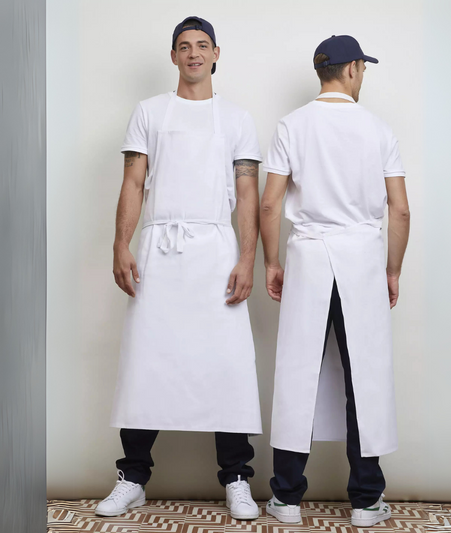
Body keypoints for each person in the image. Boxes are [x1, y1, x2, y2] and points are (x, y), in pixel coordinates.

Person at [96, 16, 263, 520]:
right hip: (159, 250)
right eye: (184, 46)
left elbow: (248, 192)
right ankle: (132, 478)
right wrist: (121, 244)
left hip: (216, 252)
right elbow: (133, 181)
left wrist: (248, 258)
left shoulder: (236, 119)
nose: (193, 53)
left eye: (202, 45)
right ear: (173, 56)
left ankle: (237, 478)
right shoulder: (149, 111)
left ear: (216, 54)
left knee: (227, 365)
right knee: (146, 361)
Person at [260, 34, 410, 527]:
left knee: (296, 374)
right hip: (362, 261)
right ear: (350, 69)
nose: (362, 75)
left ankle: (286, 499)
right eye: (362, 68)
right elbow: (400, 210)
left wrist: (271, 263)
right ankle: (366, 501)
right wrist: (392, 270)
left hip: (308, 256)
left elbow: (270, 204)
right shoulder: (378, 129)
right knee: (365, 376)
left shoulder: (292, 125)